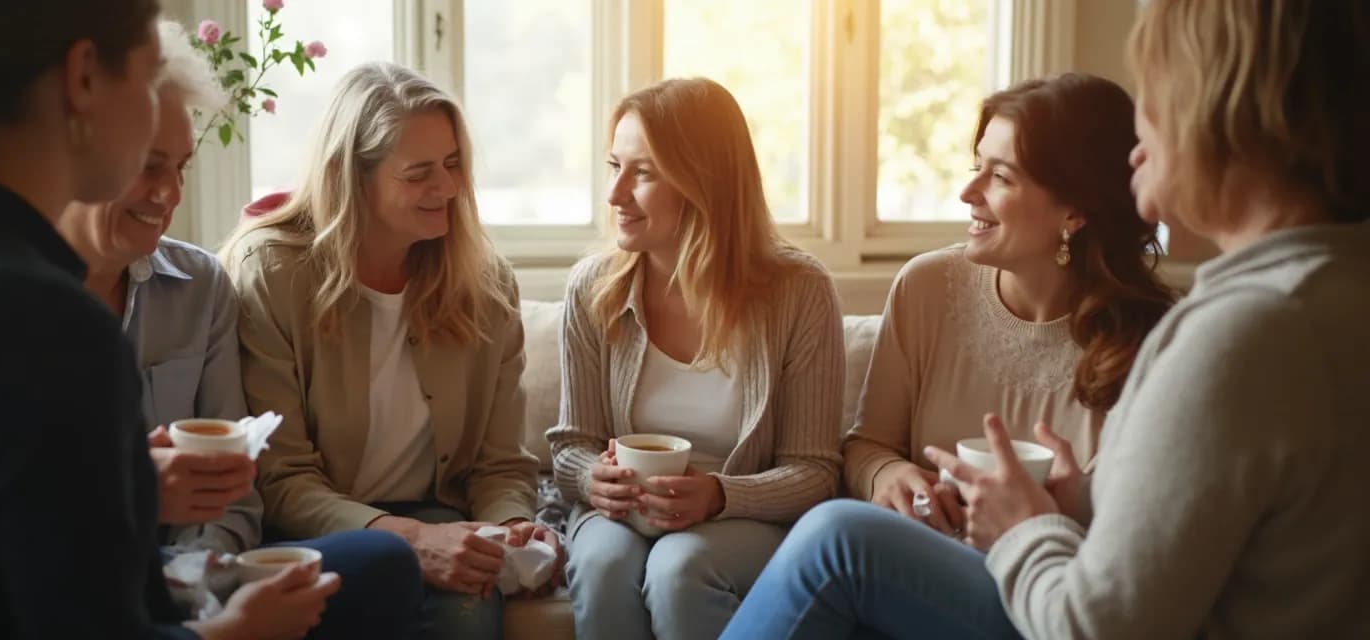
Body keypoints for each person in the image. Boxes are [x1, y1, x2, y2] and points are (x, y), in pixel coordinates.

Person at [722, 2, 1370, 638]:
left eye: (1158, 100)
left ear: (1224, 116)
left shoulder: (1241, 334)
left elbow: (1097, 623)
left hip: (1054, 603)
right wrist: (1076, 502)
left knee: (839, 541)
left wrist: (1023, 526)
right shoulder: (1324, 294)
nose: (1138, 146)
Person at [0, 3, 337, 639]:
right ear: (84, 77)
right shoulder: (38, 318)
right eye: (149, 76)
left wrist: (127, 487)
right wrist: (236, 633)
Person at [56, 22, 421, 639]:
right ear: (84, 152)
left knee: (382, 565)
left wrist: (203, 578)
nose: (169, 193)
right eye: (149, 166)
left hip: (193, 565)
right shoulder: (13, 305)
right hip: (74, 568)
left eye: (182, 166)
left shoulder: (199, 286)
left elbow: (237, 489)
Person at [221, 61, 557, 640]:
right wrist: (411, 541)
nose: (448, 188)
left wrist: (513, 527)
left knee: (471, 617)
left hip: (435, 513)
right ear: (350, 178)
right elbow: (281, 478)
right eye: (419, 173)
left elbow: (499, 465)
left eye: (453, 165)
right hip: (311, 528)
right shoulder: (271, 272)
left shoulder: (485, 285)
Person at [545, 77, 845, 640]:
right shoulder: (592, 288)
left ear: (704, 184)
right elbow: (569, 448)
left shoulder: (800, 291)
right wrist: (594, 479)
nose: (614, 196)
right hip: (621, 516)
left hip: (739, 518)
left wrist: (720, 494)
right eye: (614, 167)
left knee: (680, 568)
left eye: (644, 172)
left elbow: (815, 471)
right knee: (605, 565)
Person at [844, 71, 1175, 537]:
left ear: (1075, 213)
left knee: (834, 532)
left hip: (1047, 586)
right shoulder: (925, 288)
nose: (968, 192)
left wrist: (1067, 507)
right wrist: (890, 476)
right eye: (975, 166)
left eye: (1000, 176)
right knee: (837, 530)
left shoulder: (1156, 341)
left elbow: (1140, 530)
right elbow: (868, 445)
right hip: (920, 567)